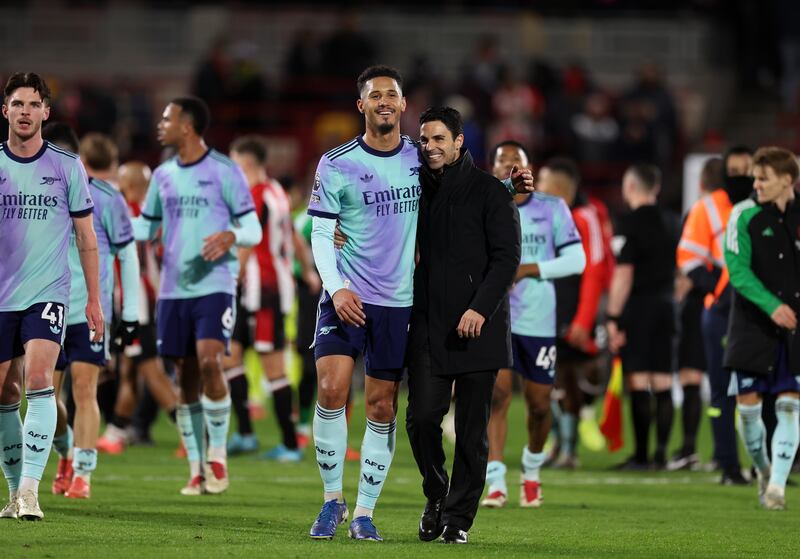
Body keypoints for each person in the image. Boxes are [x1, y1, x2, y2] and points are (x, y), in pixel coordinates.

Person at [307, 66, 532, 542]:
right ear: (361, 106)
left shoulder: (420, 156)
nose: (384, 101)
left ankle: (365, 513)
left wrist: (510, 189)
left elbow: (466, 193)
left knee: (384, 405)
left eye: (392, 94)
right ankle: (331, 501)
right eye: (375, 95)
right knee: (332, 389)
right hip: (346, 292)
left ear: (403, 104)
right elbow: (321, 231)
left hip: (399, 303)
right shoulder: (336, 162)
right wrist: (336, 285)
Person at [134, 96, 262, 496]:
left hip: (215, 283)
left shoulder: (225, 171)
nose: (160, 124)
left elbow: (253, 230)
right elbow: (146, 228)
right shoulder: (163, 175)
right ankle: (195, 467)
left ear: (186, 126)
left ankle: (218, 457)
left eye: (167, 118)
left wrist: (231, 236)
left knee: (210, 362)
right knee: (185, 376)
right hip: (173, 290)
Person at [406, 107, 520, 544]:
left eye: (439, 139)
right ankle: (436, 493)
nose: (430, 147)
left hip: (479, 327)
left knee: (473, 432)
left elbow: (506, 258)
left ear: (459, 142)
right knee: (420, 419)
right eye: (424, 140)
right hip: (429, 324)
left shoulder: (491, 192)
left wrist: (479, 309)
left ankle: (457, 519)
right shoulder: (414, 189)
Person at [0, 73, 103, 520]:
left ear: (46, 112)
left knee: (41, 379)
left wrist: (94, 299)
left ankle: (30, 493)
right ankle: (12, 491)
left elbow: (86, 237)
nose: (25, 112)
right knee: (6, 392)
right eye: (17, 104)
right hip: (2, 296)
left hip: (48, 293)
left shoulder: (66, 167)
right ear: (5, 111)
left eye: (33, 104)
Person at [482, 142, 584, 509]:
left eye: (516, 161)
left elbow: (577, 259)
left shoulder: (552, 208)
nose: (509, 166)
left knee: (540, 405)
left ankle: (531, 469)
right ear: (492, 169)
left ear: (528, 170)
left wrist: (529, 268)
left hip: (538, 322)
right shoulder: (482, 207)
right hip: (495, 318)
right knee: (497, 396)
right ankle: (495, 481)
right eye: (502, 161)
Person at [42, 128, 139, 500]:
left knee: (85, 390)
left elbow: (127, 253)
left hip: (89, 311)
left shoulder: (105, 198)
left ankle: (82, 472)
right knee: (45, 397)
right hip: (46, 307)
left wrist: (130, 313)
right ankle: (65, 450)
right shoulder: (34, 197)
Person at [227, 135, 317, 461]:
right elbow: (293, 234)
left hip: (262, 289)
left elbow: (248, 242)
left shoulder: (254, 195)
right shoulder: (278, 191)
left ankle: (291, 443)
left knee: (273, 367)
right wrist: (307, 269)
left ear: (246, 164)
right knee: (230, 357)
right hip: (257, 289)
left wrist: (231, 277)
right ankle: (247, 433)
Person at [724, 146, 800, 510]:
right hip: (752, 323)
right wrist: (772, 306)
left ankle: (777, 490)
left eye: (762, 178)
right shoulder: (742, 215)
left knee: (789, 405)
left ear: (788, 181)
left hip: (794, 326)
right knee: (749, 409)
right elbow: (738, 271)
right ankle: (763, 469)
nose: (755, 184)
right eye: (755, 177)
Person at [675, 146, 753, 483]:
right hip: (721, 311)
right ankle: (727, 462)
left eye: (747, 170)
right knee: (722, 391)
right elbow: (688, 257)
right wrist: (718, 289)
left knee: (766, 389)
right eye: (734, 171)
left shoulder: (766, 207)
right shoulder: (706, 208)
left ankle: (772, 464)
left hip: (762, 309)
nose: (741, 177)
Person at [98, 161, 178, 452]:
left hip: (137, 303)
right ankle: (117, 431)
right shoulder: (154, 214)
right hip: (149, 299)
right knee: (130, 368)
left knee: (150, 370)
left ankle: (189, 430)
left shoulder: (128, 214)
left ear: (129, 186)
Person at [537, 158, 612, 468]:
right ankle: (558, 445)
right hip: (550, 309)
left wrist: (583, 320)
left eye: (542, 181)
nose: (538, 186)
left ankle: (569, 449)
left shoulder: (585, 216)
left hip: (573, 310)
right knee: (551, 379)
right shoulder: (551, 215)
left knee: (569, 376)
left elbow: (595, 269)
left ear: (557, 188)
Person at [606, 164, 679, 470]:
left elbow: (624, 273)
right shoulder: (673, 222)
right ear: (657, 188)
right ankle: (661, 454)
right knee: (662, 380)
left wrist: (612, 316)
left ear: (631, 188)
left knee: (638, 380)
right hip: (667, 305)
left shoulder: (628, 222)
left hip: (638, 306)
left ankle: (641, 455)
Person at [669, 157, 722, 471]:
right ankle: (722, 451)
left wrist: (680, 294)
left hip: (699, 303)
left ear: (702, 183)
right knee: (727, 381)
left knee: (691, 375)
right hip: (733, 302)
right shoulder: (742, 213)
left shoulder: (699, 213)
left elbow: (687, 262)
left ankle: (689, 447)